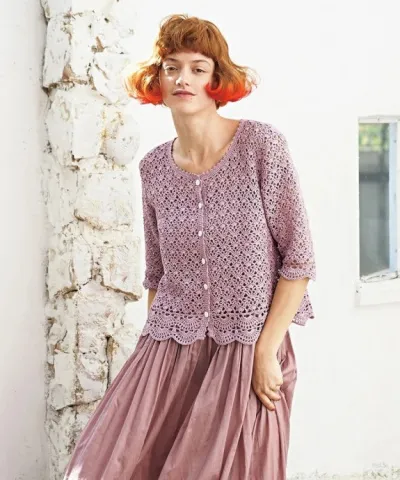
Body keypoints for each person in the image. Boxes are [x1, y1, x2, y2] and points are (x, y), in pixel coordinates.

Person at [63, 13, 316, 480]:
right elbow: (157, 276)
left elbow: (298, 262)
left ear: (216, 80)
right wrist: (152, 361)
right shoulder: (153, 168)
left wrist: (266, 352)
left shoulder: (262, 146)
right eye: (172, 68)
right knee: (109, 464)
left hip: (247, 348)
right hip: (168, 348)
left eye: (198, 68)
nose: (183, 79)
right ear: (156, 80)